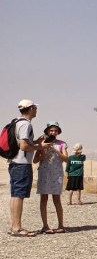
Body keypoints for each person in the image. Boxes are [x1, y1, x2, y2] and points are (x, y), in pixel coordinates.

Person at [6, 100, 52, 237]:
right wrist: (40, 147)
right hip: (22, 164)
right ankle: (17, 228)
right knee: (19, 195)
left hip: (14, 162)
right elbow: (24, 146)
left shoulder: (17, 122)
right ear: (31, 108)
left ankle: (14, 226)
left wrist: (36, 142)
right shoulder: (26, 125)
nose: (36, 110)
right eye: (35, 108)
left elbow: (23, 143)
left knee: (15, 195)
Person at [34, 121, 68, 234]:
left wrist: (56, 151)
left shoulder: (62, 144)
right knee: (44, 199)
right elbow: (35, 160)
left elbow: (66, 159)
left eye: (55, 130)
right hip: (44, 173)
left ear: (58, 132)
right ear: (47, 131)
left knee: (56, 199)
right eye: (51, 130)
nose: (53, 132)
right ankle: (45, 225)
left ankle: (61, 225)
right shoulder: (42, 143)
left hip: (57, 173)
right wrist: (43, 156)